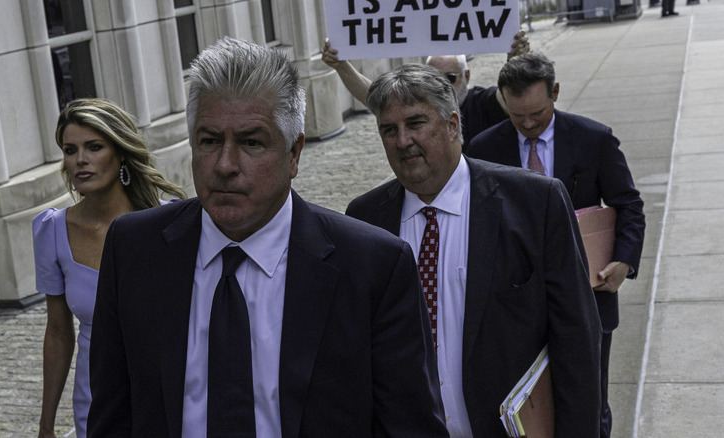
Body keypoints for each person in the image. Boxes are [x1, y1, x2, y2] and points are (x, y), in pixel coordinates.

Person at [87, 37, 448, 437]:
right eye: (209, 141)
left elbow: (410, 427)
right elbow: (111, 417)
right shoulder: (134, 249)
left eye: (251, 142)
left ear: (294, 154)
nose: (225, 165)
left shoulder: (373, 266)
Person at [346, 63, 602, 437]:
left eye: (416, 123)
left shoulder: (535, 202)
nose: (402, 140)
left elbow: (577, 340)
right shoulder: (364, 219)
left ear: (452, 124)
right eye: (389, 129)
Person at [469, 52, 646, 438]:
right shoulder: (482, 148)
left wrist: (623, 261)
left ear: (556, 92)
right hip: (514, 304)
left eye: (537, 113)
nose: (528, 124)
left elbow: (629, 205)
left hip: (587, 295)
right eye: (517, 115)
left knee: (589, 401)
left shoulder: (594, 138)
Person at [32, 98, 186, 438]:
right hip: (96, 396)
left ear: (121, 153)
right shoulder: (52, 230)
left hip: (168, 391)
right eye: (70, 150)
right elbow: (58, 332)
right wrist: (46, 425)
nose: (80, 160)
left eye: (94, 147)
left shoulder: (168, 222)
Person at [321, 30, 529, 149]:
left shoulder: (483, 102)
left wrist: (514, 60)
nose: (443, 85)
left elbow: (510, 99)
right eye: (435, 78)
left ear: (466, 76)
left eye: (450, 78)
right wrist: (341, 66)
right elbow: (373, 95)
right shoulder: (420, 104)